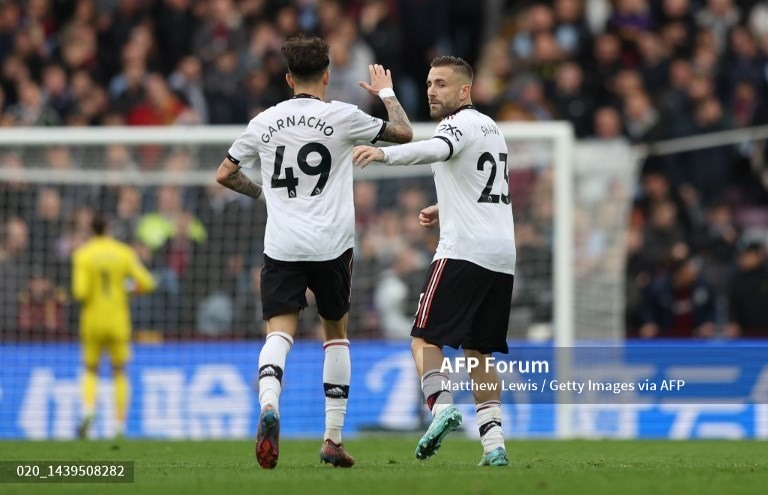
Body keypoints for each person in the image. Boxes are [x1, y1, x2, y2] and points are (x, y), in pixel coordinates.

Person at [215, 34, 413, 469]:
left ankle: (269, 404)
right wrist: (387, 93)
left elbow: (225, 174)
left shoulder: (264, 121)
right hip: (331, 245)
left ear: (288, 78)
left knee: (278, 334)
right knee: (335, 334)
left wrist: (264, 195)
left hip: (283, 243)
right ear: (327, 75)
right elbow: (403, 133)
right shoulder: (342, 116)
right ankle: (333, 438)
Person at [353, 56, 515, 467]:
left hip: (464, 250)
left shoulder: (455, 125)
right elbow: (480, 186)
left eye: (441, 84)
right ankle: (494, 446)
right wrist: (443, 206)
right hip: (501, 256)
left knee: (423, 339)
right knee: (478, 354)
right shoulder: (492, 129)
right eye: (428, 83)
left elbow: (433, 149)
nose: (431, 90)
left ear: (465, 91)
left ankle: (442, 408)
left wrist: (384, 154)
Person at [72, 213, 156, 439]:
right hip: (118, 321)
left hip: (92, 321)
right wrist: (125, 288)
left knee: (91, 369)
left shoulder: (83, 254)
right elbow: (147, 283)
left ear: (91, 230)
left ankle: (89, 410)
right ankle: (119, 425)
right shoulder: (123, 252)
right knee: (119, 371)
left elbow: (80, 292)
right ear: (108, 228)